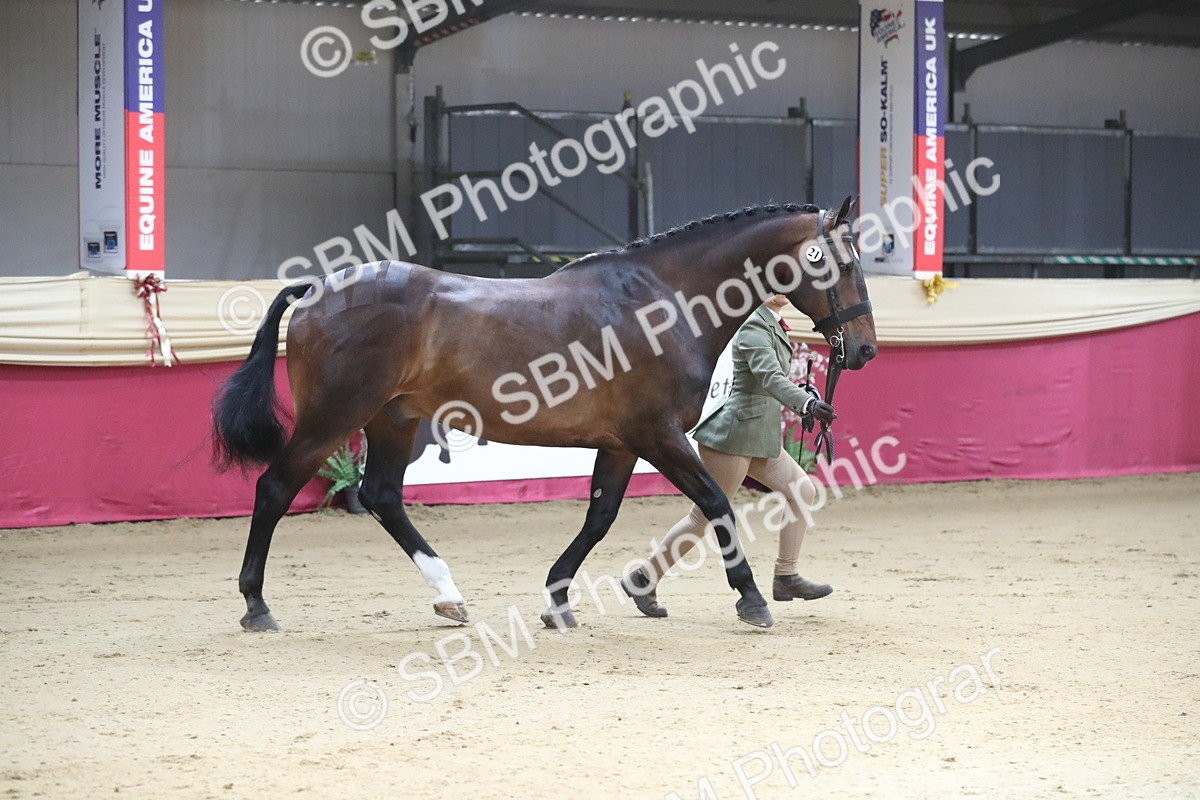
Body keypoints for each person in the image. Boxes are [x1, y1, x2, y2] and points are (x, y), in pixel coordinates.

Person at [621, 294, 837, 623]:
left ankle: (786, 576)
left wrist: (803, 396)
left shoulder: (773, 324)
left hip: (759, 435)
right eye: (776, 285)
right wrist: (804, 405)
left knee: (802, 491)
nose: (785, 291)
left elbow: (773, 381)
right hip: (734, 436)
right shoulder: (752, 323)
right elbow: (769, 377)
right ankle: (643, 578)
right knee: (703, 517)